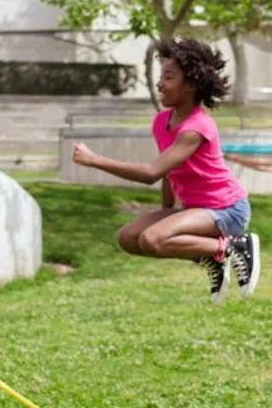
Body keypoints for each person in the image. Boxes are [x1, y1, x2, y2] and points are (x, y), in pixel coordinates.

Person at [72, 38, 260, 304]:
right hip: (197, 209)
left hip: (226, 209)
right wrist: (167, 211)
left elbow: (151, 172)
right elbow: (168, 171)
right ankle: (211, 256)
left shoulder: (196, 128)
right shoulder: (163, 121)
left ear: (191, 85)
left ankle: (234, 247)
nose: (160, 83)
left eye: (168, 77)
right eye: (161, 76)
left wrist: (94, 160)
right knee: (128, 238)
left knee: (152, 239)